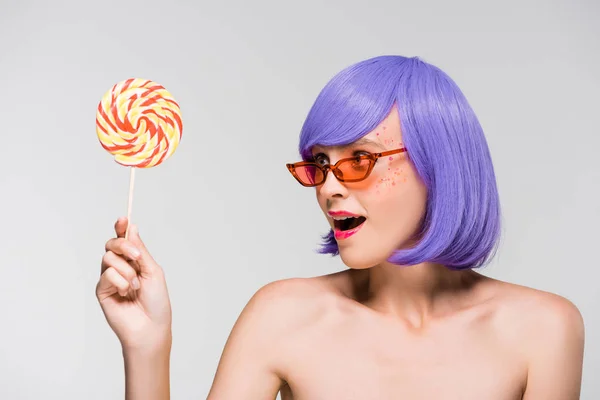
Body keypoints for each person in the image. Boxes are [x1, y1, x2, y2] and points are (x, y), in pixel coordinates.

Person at [96, 55, 585, 399]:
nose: (328, 188)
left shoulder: (543, 330)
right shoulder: (282, 315)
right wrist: (147, 346)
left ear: (441, 165)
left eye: (360, 159)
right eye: (320, 164)